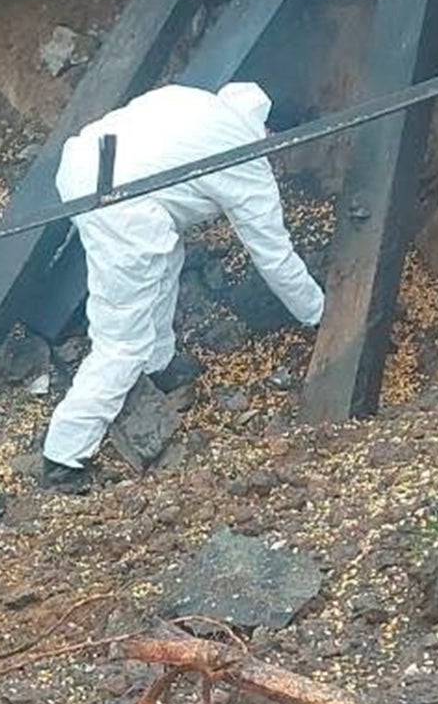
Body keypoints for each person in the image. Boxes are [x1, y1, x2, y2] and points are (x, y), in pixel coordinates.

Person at [42, 82, 325, 491]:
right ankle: (63, 458)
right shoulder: (244, 158)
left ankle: (159, 365)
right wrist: (319, 314)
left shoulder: (195, 100)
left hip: (84, 169)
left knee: (164, 255)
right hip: (123, 205)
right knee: (122, 341)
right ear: (269, 132)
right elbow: (273, 256)